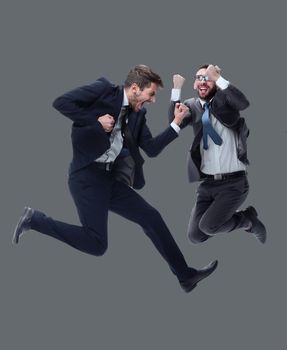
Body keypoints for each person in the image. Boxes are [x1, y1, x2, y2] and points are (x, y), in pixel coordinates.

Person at [13, 64, 218, 292]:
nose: (151, 101)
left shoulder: (138, 115)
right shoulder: (103, 90)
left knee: (151, 217)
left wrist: (176, 124)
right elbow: (61, 103)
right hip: (86, 178)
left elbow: (150, 148)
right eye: (150, 94)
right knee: (97, 244)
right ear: (134, 88)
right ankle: (34, 220)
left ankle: (185, 276)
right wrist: (95, 121)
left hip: (109, 178)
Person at [169, 64, 266, 244]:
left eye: (208, 78)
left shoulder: (226, 100)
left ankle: (248, 221)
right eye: (199, 78)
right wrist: (176, 90)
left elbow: (243, 103)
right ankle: (245, 218)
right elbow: (174, 123)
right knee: (195, 236)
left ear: (214, 82)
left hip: (234, 184)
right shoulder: (192, 105)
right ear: (194, 84)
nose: (203, 81)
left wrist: (220, 79)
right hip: (207, 185)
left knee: (208, 226)